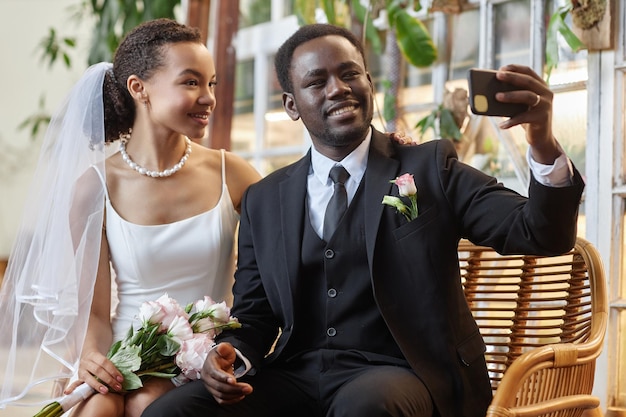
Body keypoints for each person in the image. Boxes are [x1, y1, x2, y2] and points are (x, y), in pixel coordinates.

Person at [141, 23, 585, 417]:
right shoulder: (265, 198)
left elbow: (540, 233)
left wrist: (542, 140)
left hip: (405, 371)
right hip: (297, 373)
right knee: (174, 411)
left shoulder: (430, 167)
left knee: (366, 406)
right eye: (317, 81)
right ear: (292, 105)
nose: (337, 88)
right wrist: (229, 358)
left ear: (369, 82)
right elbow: (255, 316)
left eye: (349, 73)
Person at [0, 18, 260, 417]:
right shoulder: (94, 186)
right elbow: (96, 311)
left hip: (206, 355)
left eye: (212, 84)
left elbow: (297, 218)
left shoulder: (232, 174)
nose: (208, 97)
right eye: (191, 82)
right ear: (139, 88)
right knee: (99, 408)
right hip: (126, 350)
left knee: (146, 406)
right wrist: (90, 356)